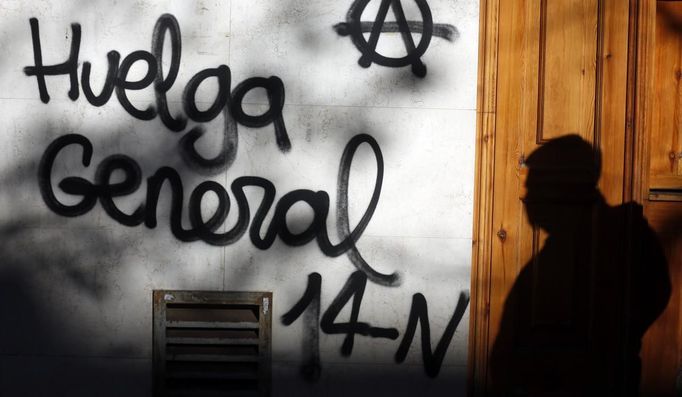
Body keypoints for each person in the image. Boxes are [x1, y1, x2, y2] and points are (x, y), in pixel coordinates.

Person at [489, 135, 671, 396]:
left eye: (536, 187)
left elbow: (654, 293)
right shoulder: (563, 246)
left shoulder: (619, 237)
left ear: (566, 186)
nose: (528, 198)